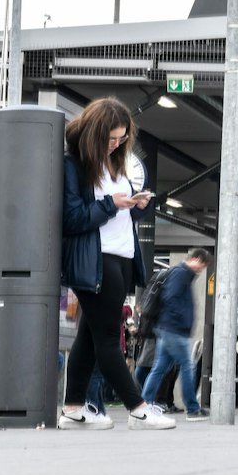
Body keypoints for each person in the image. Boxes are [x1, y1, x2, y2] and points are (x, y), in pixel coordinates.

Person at [59, 95, 175, 430]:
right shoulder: (75, 165)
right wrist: (112, 203)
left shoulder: (115, 163)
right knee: (109, 339)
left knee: (89, 337)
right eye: (111, 138)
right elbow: (73, 218)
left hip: (121, 257)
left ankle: (72, 409)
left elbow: (117, 213)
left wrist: (135, 206)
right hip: (97, 259)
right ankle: (138, 409)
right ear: (95, 133)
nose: (116, 144)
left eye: (121, 138)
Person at [139, 249, 209, 421]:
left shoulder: (181, 274)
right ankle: (192, 409)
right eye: (202, 265)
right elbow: (170, 298)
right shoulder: (181, 274)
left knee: (159, 368)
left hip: (167, 328)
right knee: (187, 366)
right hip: (174, 329)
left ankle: (143, 404)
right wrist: (182, 320)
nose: (201, 269)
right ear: (196, 259)